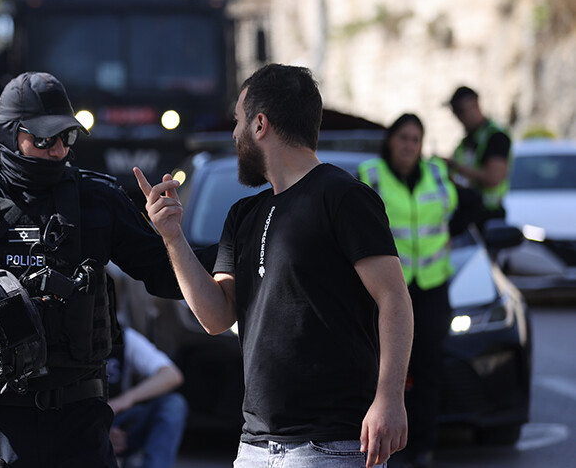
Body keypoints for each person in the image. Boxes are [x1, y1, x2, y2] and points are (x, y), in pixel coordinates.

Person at [0, 71, 183, 467]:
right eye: (43, 139)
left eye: (66, 137)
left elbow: (167, 276)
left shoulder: (98, 199)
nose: (58, 149)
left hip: (80, 424)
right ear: (8, 135)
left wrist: (193, 242)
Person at [134, 63, 414, 468]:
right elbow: (216, 317)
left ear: (260, 124)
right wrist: (173, 237)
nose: (234, 134)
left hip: (331, 446)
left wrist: (389, 399)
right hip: (255, 448)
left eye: (238, 121)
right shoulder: (243, 215)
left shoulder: (344, 196)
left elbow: (395, 298)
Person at [358, 114, 458, 468]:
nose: (408, 146)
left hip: (430, 286)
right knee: (381, 370)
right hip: (382, 287)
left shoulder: (437, 175)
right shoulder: (369, 174)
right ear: (390, 140)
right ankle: (378, 444)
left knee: (429, 369)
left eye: (415, 139)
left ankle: (423, 447)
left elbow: (454, 216)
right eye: (403, 138)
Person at [106, 326, 187, 468]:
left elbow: (172, 375)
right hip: (78, 427)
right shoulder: (61, 337)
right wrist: (98, 431)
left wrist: (127, 399)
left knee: (174, 404)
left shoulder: (121, 337)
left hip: (115, 420)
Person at [445, 86, 512, 224]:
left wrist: (455, 166)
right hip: (467, 212)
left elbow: (493, 179)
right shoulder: (465, 142)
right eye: (455, 112)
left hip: (489, 214)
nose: (458, 117)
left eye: (460, 110)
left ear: (475, 103)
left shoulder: (496, 137)